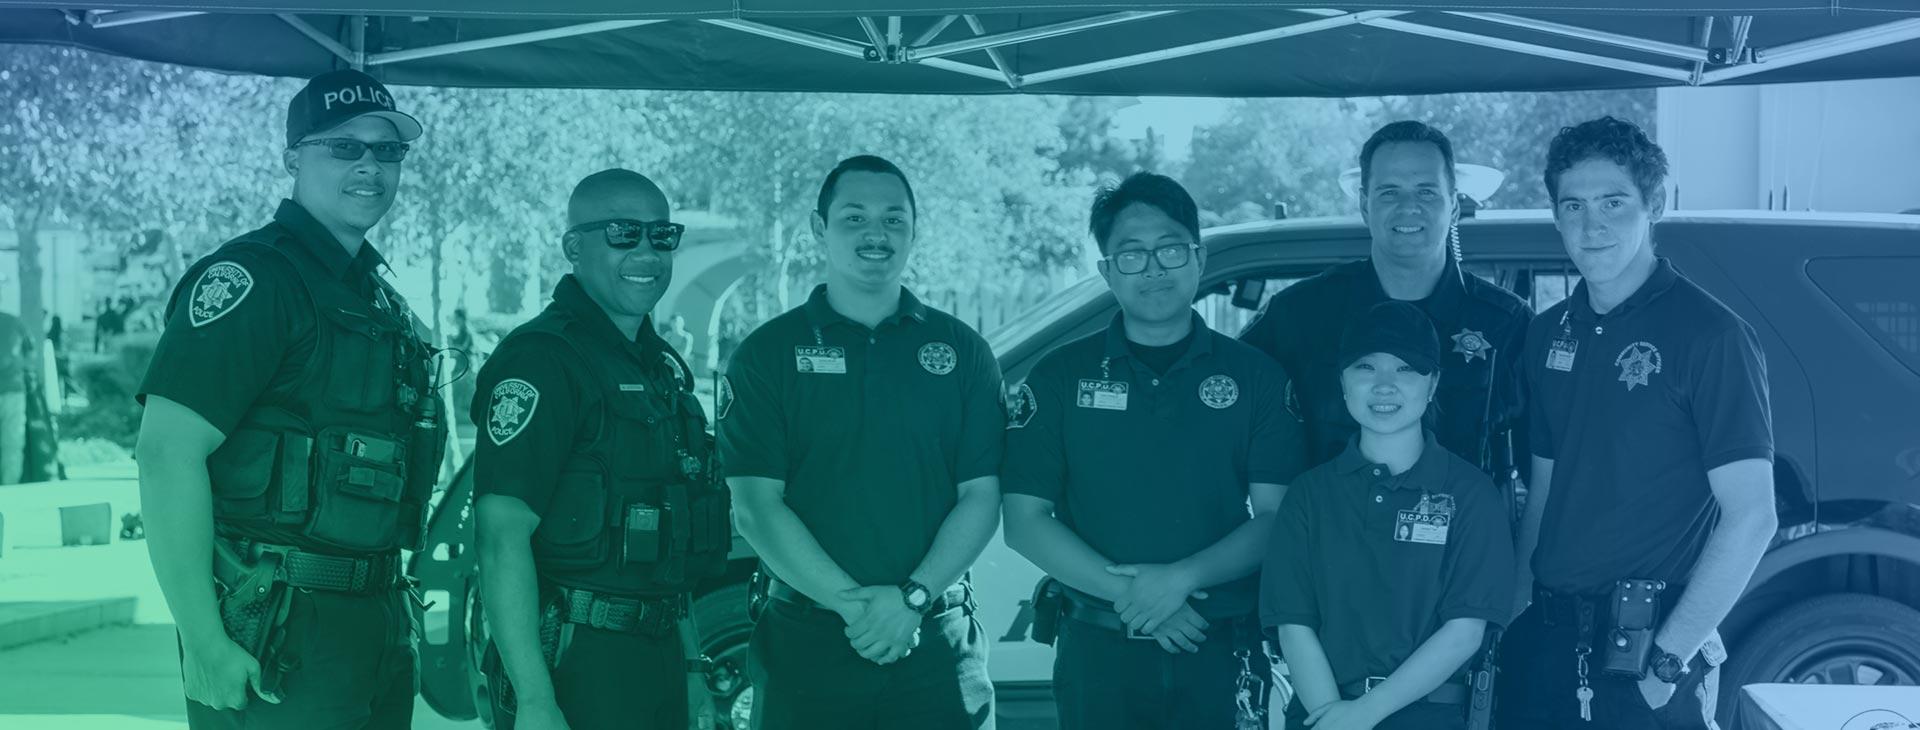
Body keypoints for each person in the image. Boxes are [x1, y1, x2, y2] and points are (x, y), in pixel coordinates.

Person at [134, 69, 440, 729]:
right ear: (293, 158)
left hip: (376, 624)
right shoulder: (255, 280)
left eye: (387, 151)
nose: (369, 165)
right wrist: (204, 641)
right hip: (276, 629)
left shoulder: (379, 298)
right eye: (344, 147)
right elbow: (165, 455)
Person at [1001, 172, 1311, 729]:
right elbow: (1024, 522)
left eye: (1169, 249)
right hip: (1098, 653)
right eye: (1131, 254)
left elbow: (1275, 517)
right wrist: (1140, 598)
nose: (1153, 269)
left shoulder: (1256, 377)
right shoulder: (1058, 377)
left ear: (1198, 256)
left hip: (1218, 648)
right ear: (1106, 272)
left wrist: (1182, 580)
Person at [1500, 117, 1777, 729]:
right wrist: (1515, 616)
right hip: (1544, 646)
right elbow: (1543, 489)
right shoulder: (1548, 334)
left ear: (1655, 204)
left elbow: (1753, 515)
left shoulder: (1712, 336)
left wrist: (1668, 665)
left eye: (1613, 201)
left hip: (1648, 652)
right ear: (1555, 215)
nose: (1590, 224)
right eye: (1572, 205)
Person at [719, 154, 1003, 729]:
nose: (877, 234)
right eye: (855, 217)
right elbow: (755, 507)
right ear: (819, 229)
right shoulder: (767, 354)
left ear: (914, 230)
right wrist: (859, 608)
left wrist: (912, 600)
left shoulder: (963, 352)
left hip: (938, 644)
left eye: (894, 219)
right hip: (808, 648)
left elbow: (982, 495)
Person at [471, 169, 723, 730]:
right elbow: (498, 537)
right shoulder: (542, 360)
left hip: (657, 657)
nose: (646, 251)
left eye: (662, 236)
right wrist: (535, 701)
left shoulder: (658, 368)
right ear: (573, 247)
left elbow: (669, 545)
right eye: (622, 234)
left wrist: (690, 669)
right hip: (575, 662)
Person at [1262, 301, 1515, 730]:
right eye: (1365, 367)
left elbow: (1465, 630)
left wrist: (1365, 714)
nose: (1384, 386)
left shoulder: (1471, 494)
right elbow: (1293, 624)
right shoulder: (1309, 494)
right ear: (1342, 381)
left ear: (1433, 383)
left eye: (1405, 369)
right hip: (1321, 713)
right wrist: (1334, 719)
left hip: (1429, 715)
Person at [1238, 121, 1530, 479]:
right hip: (1326, 532)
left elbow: (1547, 462)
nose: (1408, 208)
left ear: (1453, 204)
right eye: (1389, 192)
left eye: (1426, 192)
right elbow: (1231, 420)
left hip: (1467, 532)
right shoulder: (1299, 316)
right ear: (1364, 204)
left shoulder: (1507, 325)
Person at [0, 310, 26, 484]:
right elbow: (31, 352)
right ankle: (9, 488)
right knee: (12, 444)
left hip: (12, 388)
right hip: (13, 388)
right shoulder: (14, 322)